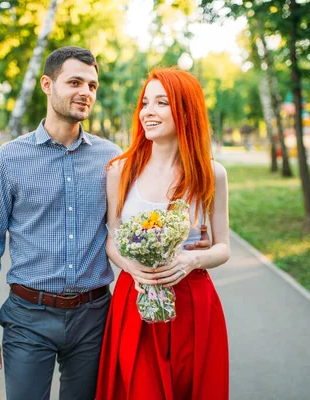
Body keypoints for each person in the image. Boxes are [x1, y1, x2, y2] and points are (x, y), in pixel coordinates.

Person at [0, 46, 213, 400]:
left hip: (95, 318)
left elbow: (140, 216)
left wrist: (191, 243)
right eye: (75, 82)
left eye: (92, 85)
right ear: (47, 84)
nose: (86, 92)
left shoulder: (113, 160)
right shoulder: (9, 159)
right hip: (28, 317)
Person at [96, 68, 230, 400]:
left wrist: (192, 258)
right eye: (145, 103)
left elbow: (223, 246)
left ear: (185, 111)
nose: (147, 112)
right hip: (135, 300)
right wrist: (131, 267)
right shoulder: (120, 170)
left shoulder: (211, 174)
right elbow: (112, 239)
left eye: (161, 102)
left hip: (193, 304)